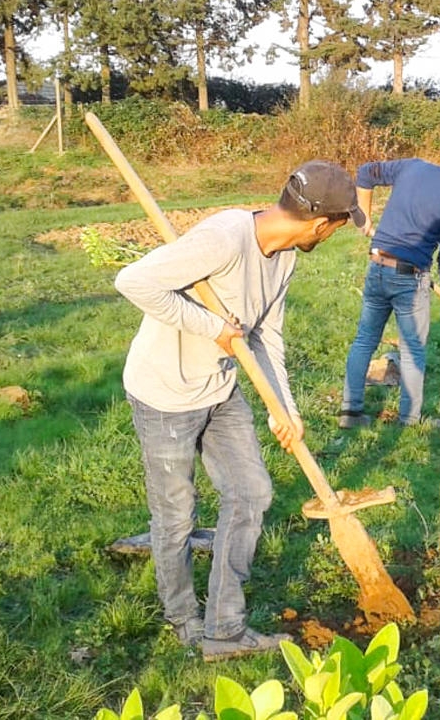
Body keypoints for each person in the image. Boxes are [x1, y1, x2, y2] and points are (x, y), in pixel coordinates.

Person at [114, 161, 365, 662]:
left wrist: (284, 409)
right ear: (321, 223)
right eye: (340, 225)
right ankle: (183, 619)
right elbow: (133, 281)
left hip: (221, 389)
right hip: (165, 392)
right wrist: (212, 327)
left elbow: (265, 335)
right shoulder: (224, 239)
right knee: (176, 517)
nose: (336, 233)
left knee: (252, 494)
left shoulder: (284, 255)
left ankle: (223, 630)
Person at [340, 144, 440, 428]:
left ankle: (350, 414)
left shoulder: (413, 166)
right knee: (413, 350)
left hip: (377, 267)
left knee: (364, 340)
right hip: (409, 280)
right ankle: (409, 421)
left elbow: (365, 173)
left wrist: (362, 216)